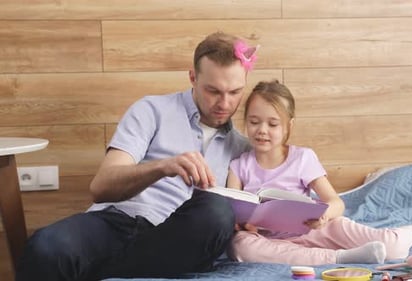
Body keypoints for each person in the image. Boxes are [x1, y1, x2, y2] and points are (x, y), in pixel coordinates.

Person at [16, 31, 259, 280]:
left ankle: (97, 271)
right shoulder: (152, 110)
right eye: (213, 91)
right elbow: (101, 187)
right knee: (46, 246)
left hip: (177, 241)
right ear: (193, 78)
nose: (225, 103)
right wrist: (163, 166)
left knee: (217, 212)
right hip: (117, 222)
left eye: (235, 92)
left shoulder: (243, 148)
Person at [226, 80, 412, 266]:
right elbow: (233, 210)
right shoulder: (238, 166)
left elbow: (335, 202)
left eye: (273, 124)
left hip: (312, 230)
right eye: (254, 122)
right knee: (240, 246)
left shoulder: (303, 158)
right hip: (269, 239)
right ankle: (340, 258)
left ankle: (411, 234)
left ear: (289, 126)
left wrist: (324, 217)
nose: (262, 131)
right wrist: (244, 224)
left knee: (391, 248)